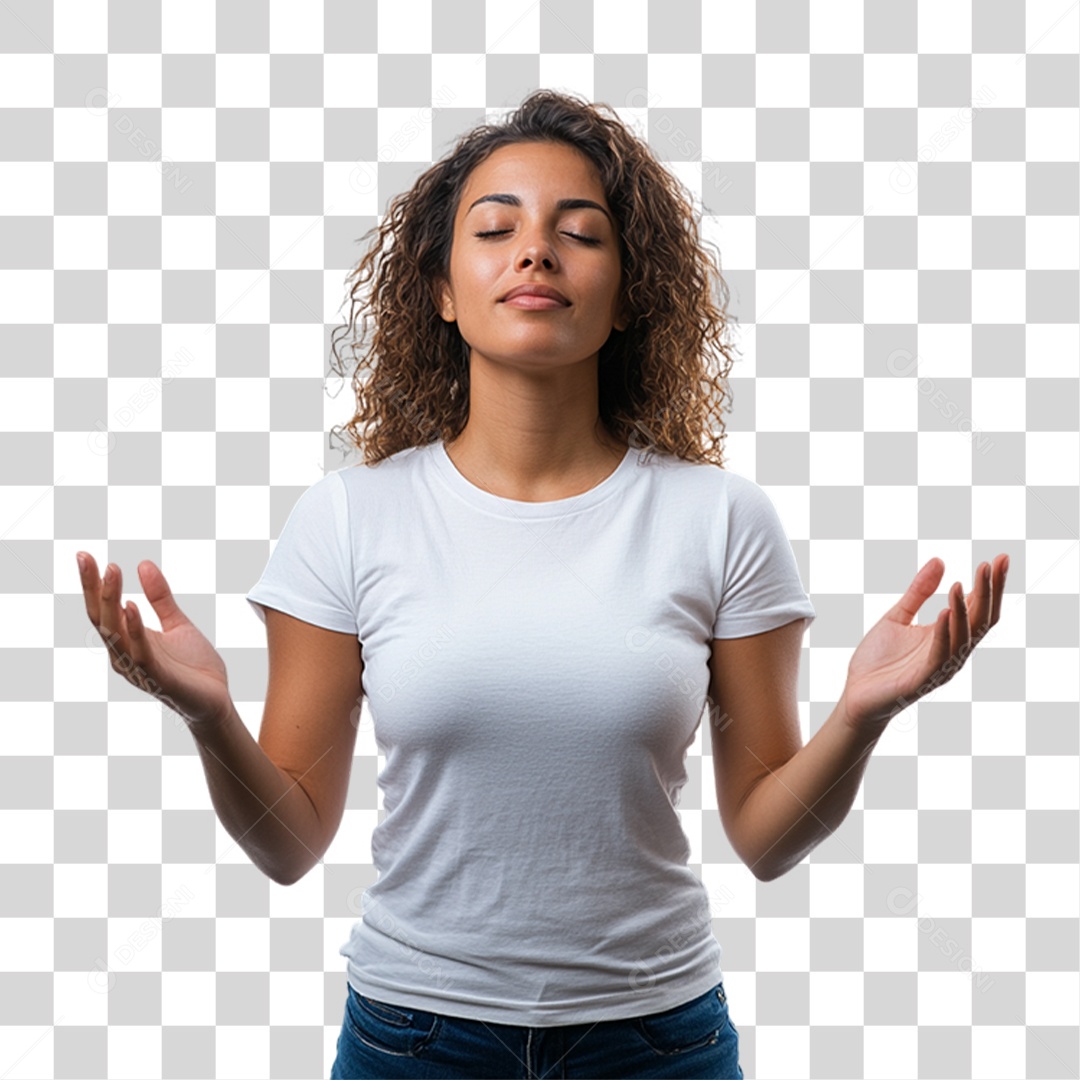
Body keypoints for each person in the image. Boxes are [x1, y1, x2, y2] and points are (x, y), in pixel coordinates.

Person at [76, 90, 1008, 1080]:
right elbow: (290, 842)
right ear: (442, 289)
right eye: (495, 228)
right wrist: (209, 715)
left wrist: (864, 715)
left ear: (627, 292)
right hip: (412, 1038)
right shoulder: (350, 518)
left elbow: (767, 841)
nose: (535, 252)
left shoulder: (721, 521)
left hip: (659, 1041)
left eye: (581, 233)